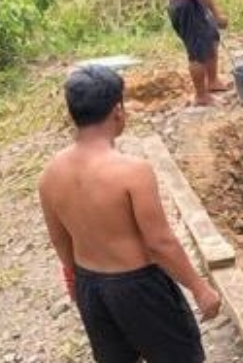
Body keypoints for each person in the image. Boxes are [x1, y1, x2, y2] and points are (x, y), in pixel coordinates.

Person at [39, 65, 221, 362]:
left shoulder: (50, 174)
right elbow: (159, 242)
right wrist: (200, 289)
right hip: (139, 288)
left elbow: (59, 240)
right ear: (117, 111)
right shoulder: (132, 172)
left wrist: (76, 282)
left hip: (91, 287)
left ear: (73, 114)